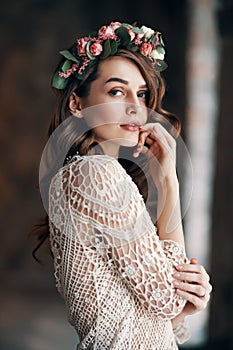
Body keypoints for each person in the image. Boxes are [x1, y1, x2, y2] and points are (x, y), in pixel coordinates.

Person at [37, 22, 212, 349]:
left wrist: (187, 304)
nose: (135, 106)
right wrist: (168, 182)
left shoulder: (79, 176)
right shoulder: (96, 174)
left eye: (142, 94)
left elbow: (150, 322)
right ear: (77, 104)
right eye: (117, 91)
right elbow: (166, 299)